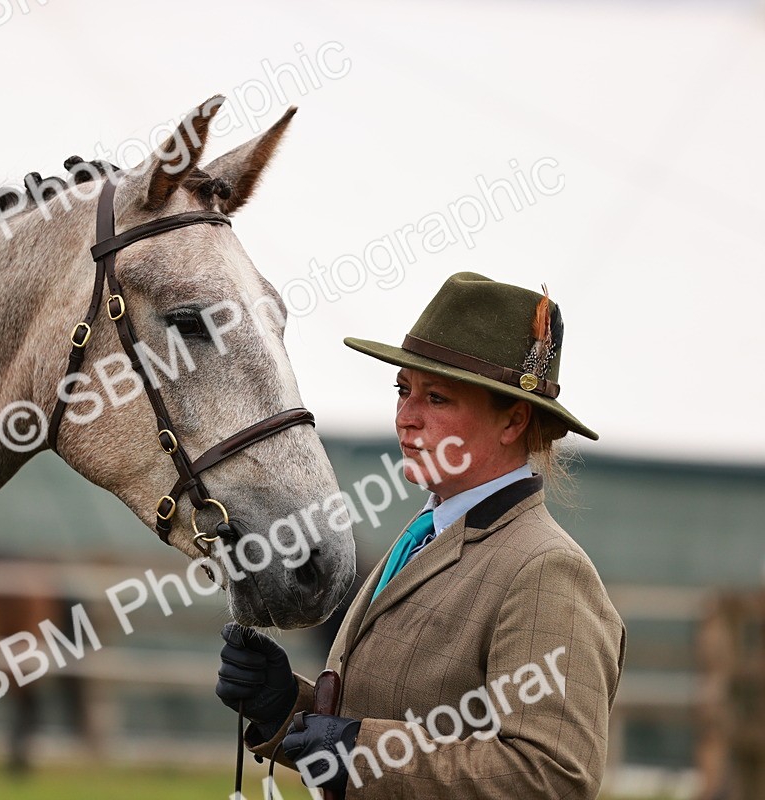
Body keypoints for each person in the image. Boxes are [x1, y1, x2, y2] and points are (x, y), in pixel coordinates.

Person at [215, 272, 626, 798]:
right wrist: (287, 709)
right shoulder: (427, 536)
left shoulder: (545, 568)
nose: (406, 418)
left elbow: (552, 777)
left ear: (513, 421)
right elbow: (394, 715)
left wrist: (361, 752)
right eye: (403, 390)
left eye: (436, 398)